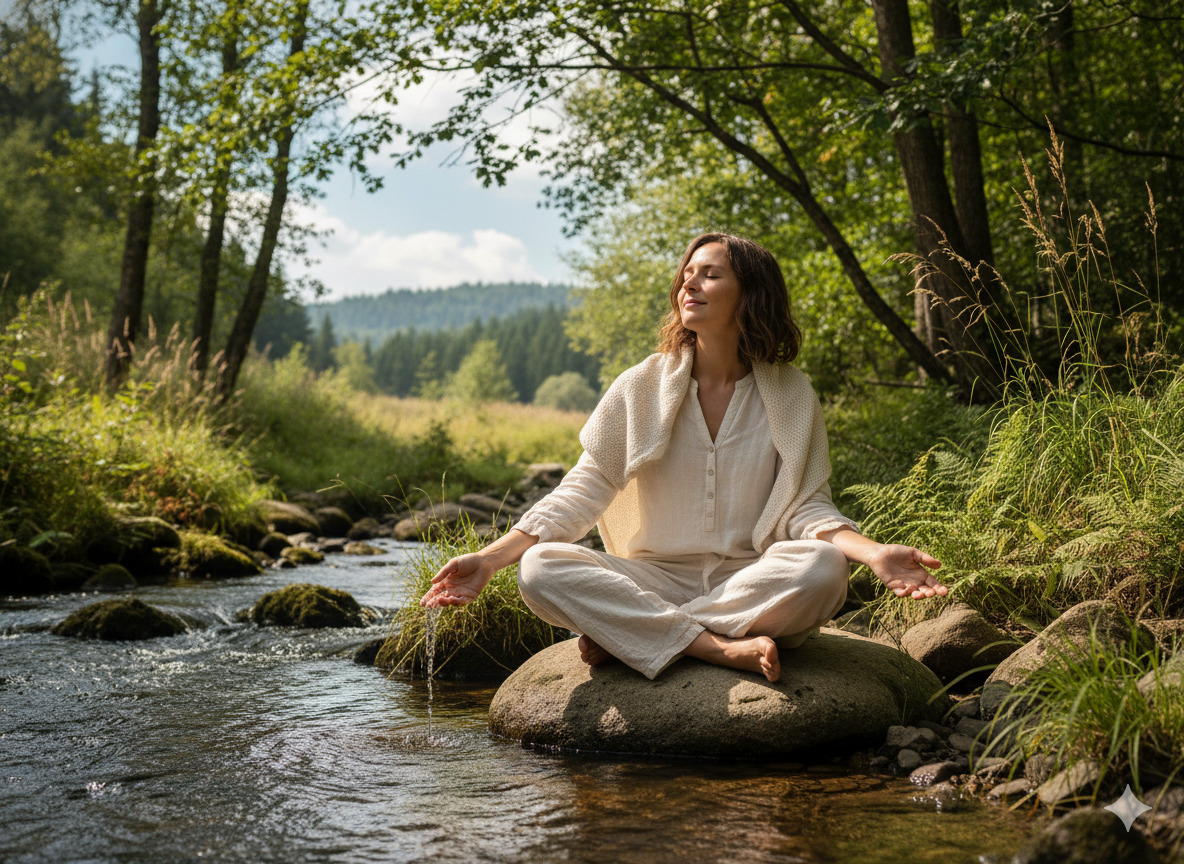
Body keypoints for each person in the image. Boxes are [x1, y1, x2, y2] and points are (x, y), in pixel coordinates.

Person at [421, 232, 946, 683]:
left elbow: (807, 509)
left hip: (751, 577)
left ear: (751, 295)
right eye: (686, 274)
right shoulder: (639, 386)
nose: (688, 284)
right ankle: (712, 647)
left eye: (710, 275)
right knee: (539, 568)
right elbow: (583, 490)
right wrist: (490, 561)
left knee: (824, 568)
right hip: (649, 575)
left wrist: (873, 552)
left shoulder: (791, 393)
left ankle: (634, 634)